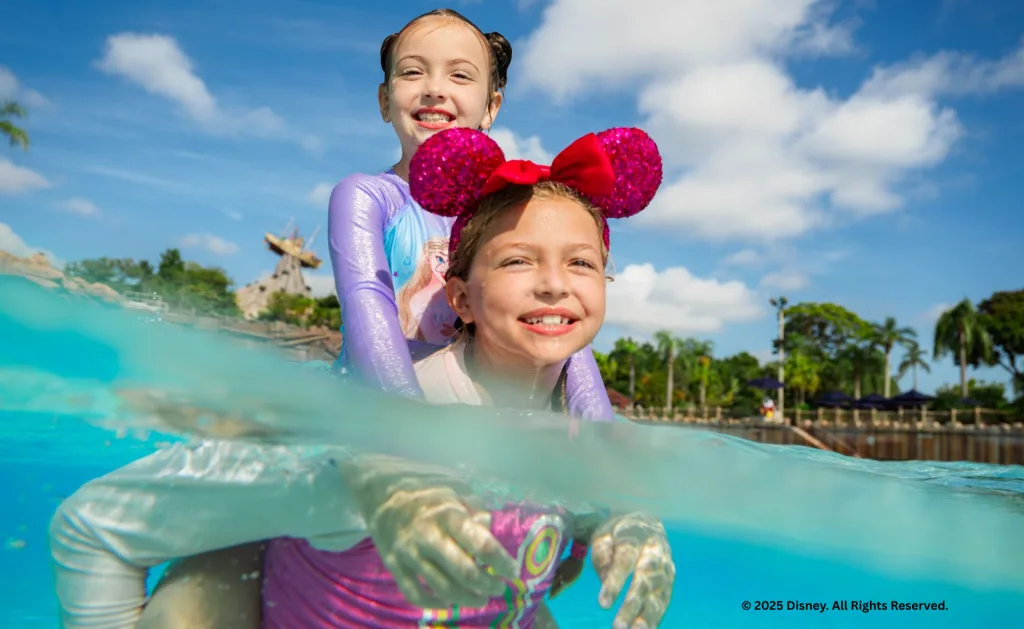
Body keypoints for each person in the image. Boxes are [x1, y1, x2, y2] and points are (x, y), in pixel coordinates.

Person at [49, 127, 674, 629]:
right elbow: (92, 523)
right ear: (459, 297)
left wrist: (627, 524)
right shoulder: (367, 435)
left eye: (582, 263)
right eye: (517, 259)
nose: (555, 283)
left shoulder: (582, 443)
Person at [328, 8, 616, 421]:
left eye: (459, 75)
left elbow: (565, 330)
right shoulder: (367, 196)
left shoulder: (501, 209)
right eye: (412, 73)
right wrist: (407, 421)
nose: (434, 89)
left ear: (491, 107)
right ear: (384, 101)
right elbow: (366, 303)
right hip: (376, 405)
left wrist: (600, 434)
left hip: (471, 400)